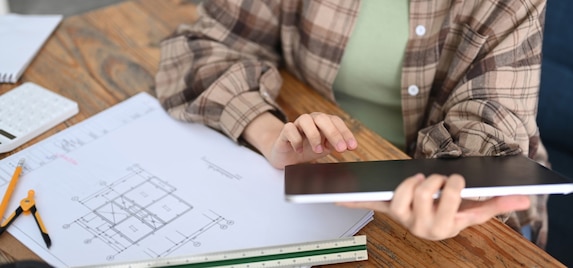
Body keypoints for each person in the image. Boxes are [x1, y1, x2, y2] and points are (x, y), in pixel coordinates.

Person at [155, 0, 549, 248]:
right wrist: (270, 132)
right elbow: (203, 47)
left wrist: (445, 196)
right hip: (318, 176)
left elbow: (492, 133)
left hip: (470, 222)